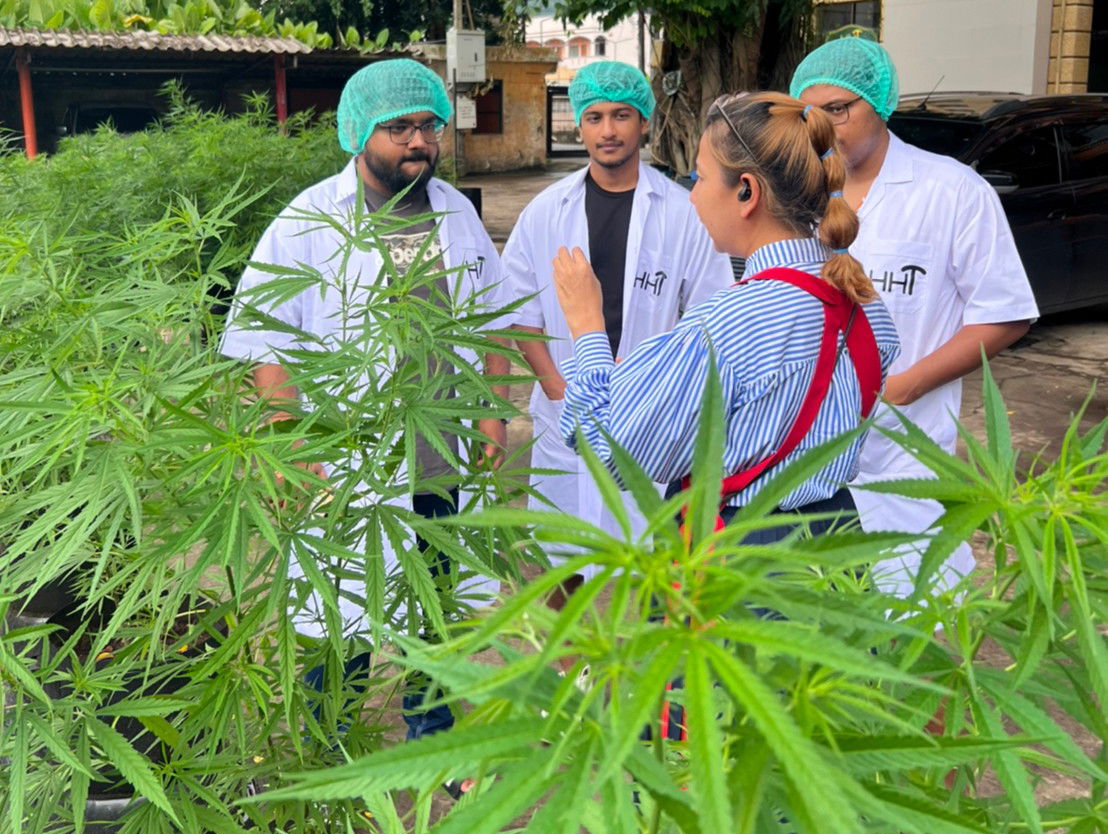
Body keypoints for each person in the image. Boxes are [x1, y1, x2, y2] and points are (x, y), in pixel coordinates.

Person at [221, 58, 511, 743]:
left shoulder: (456, 212)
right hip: (350, 461)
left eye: (429, 127)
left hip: (445, 452)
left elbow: (493, 319)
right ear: (359, 133)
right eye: (399, 128)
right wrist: (293, 444)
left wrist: (494, 414)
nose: (419, 142)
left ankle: (429, 732)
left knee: (436, 603)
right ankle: (330, 739)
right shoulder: (308, 220)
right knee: (344, 610)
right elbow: (265, 342)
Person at [551, 91, 899, 539]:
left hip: (741, 556)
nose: (692, 196)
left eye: (700, 177)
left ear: (746, 191)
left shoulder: (727, 325)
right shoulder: (866, 305)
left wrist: (587, 329)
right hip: (837, 541)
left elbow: (614, 453)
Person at [789, 36, 1037, 598]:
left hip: (905, 457)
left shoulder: (950, 191)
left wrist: (904, 387)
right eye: (809, 114)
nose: (824, 128)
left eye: (838, 109)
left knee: (907, 616)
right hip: (804, 459)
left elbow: (1005, 315)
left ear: (880, 104)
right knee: (819, 623)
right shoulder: (799, 197)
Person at [501, 59, 732, 584]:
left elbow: (710, 315)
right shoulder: (544, 211)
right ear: (580, 126)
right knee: (559, 558)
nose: (608, 130)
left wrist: (664, 391)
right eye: (595, 117)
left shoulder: (682, 212)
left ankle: (638, 637)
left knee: (650, 562)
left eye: (622, 115)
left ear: (644, 121)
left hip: (649, 418)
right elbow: (519, 312)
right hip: (562, 413)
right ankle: (566, 642)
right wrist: (557, 389)